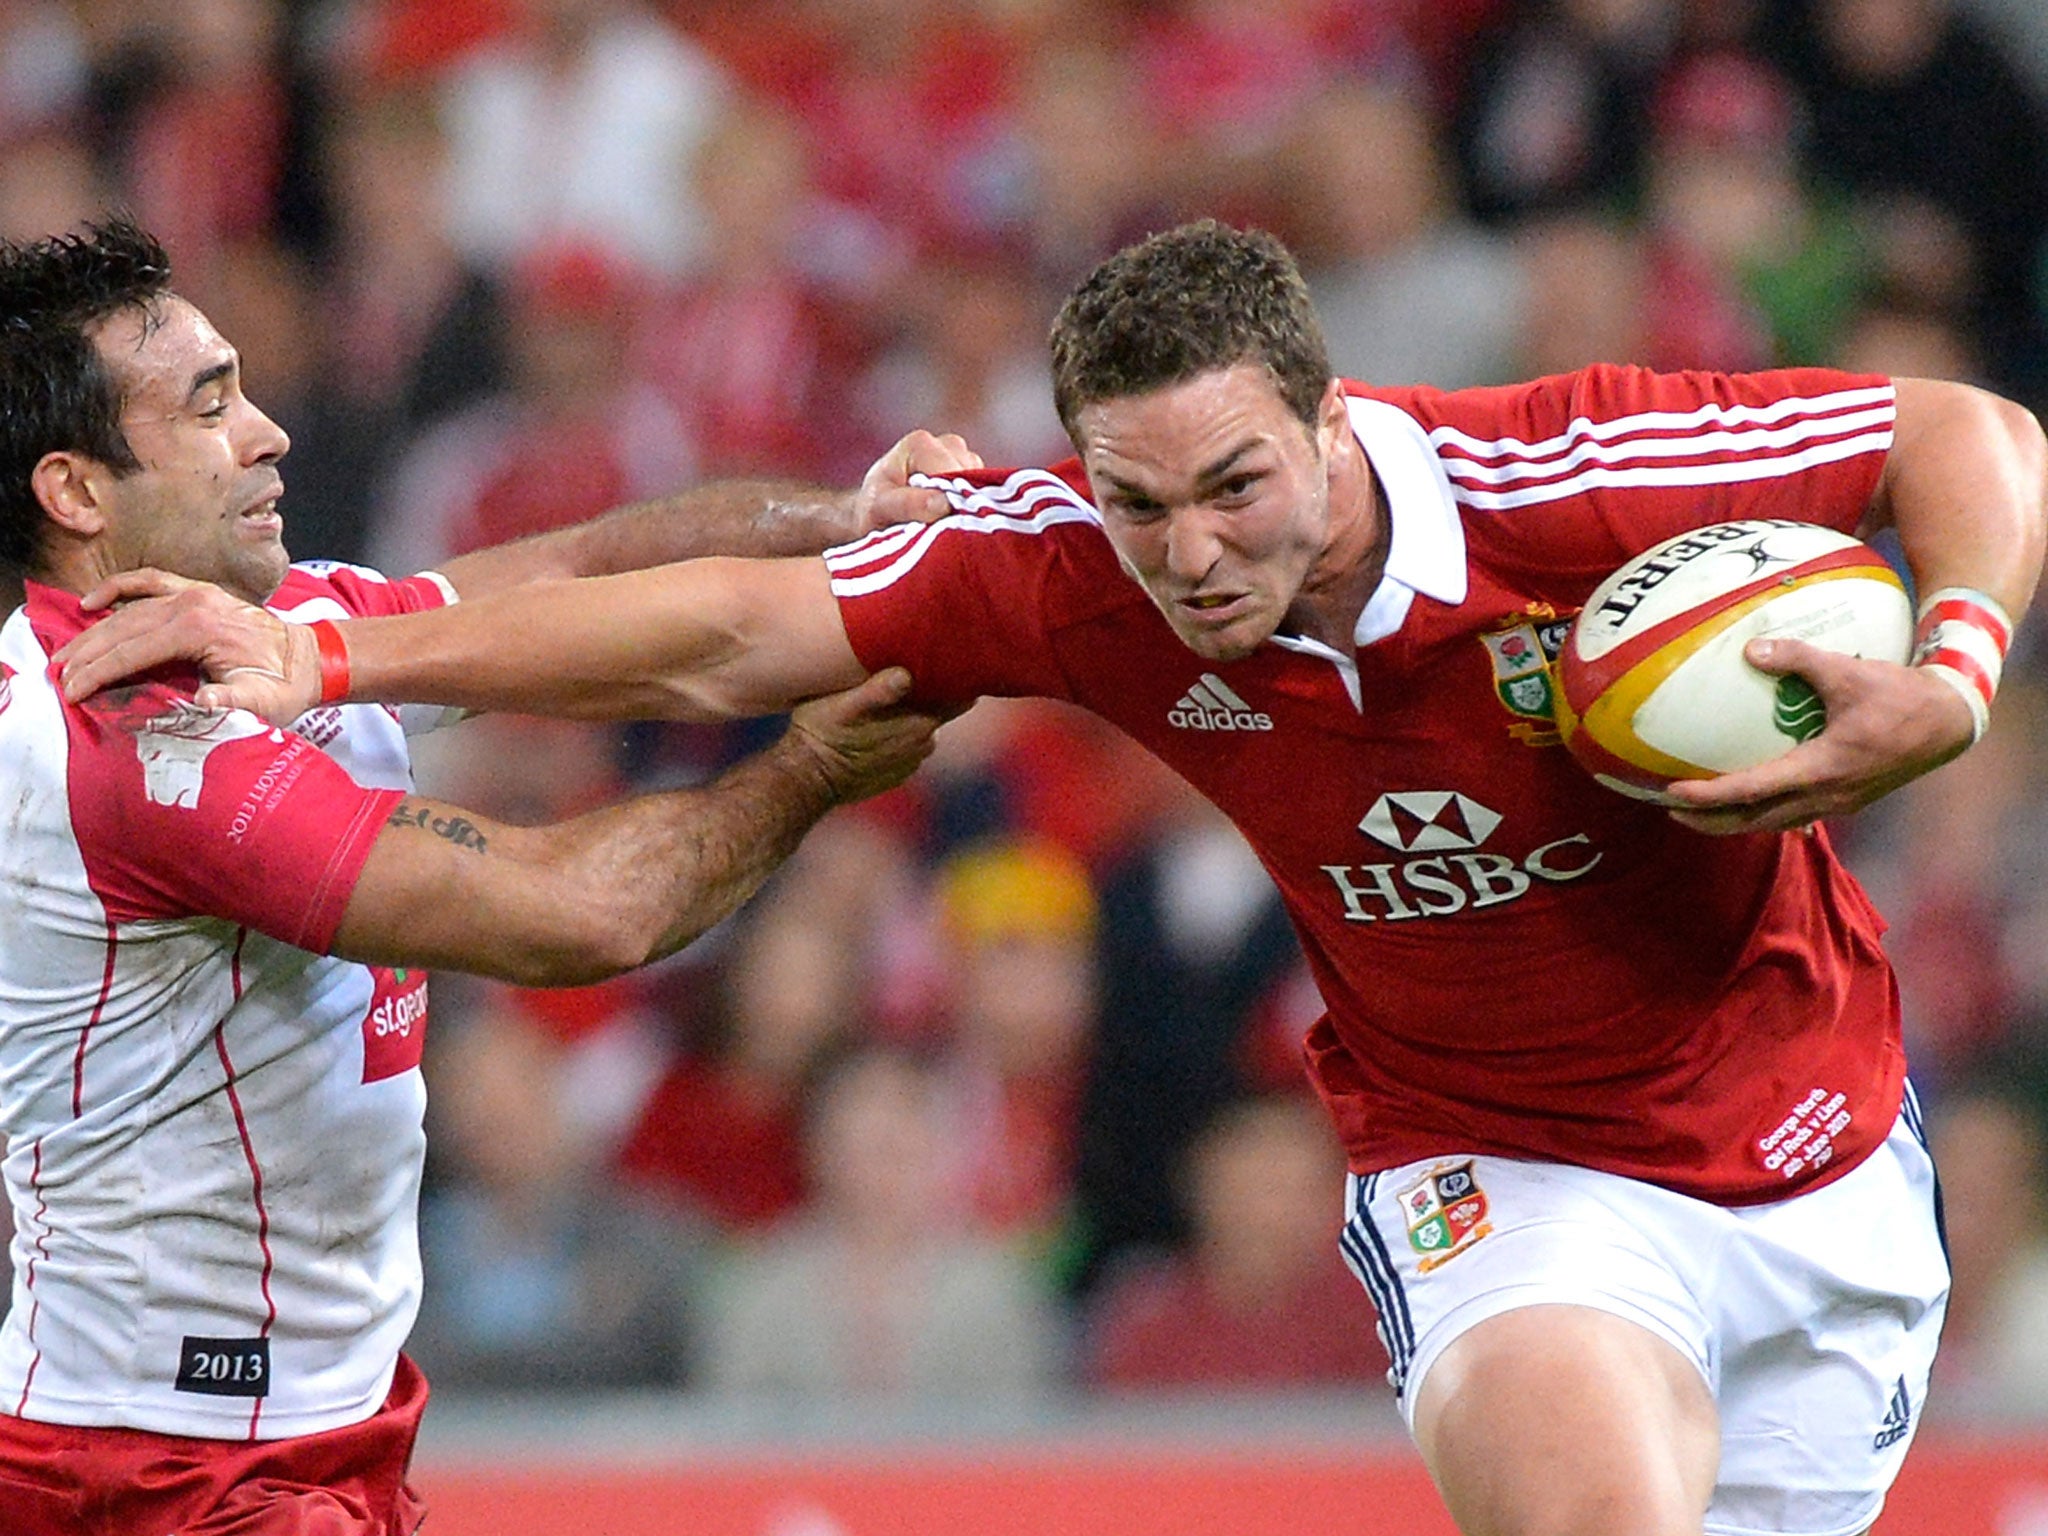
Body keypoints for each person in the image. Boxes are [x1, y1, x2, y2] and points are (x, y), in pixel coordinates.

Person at [60, 220, 2048, 1536]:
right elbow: (732, 633)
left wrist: (1950, 677)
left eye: (1233, 488)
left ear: (1332, 422)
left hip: (1826, 1156)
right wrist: (320, 654)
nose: (1184, 553)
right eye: (1134, 498)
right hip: (1502, 1178)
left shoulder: (1566, 473)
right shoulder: (1075, 572)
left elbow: (1968, 436)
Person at [0, 219, 958, 1536]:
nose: (269, 432)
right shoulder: (125, 743)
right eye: (210, 406)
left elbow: (580, 572)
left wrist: (845, 524)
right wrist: (810, 773)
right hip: (157, 1470)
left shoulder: (277, 633)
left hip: (307, 1432)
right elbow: (585, 913)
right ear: (75, 492)